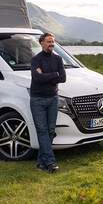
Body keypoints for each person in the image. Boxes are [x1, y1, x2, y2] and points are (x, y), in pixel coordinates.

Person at [30, 32, 66, 173]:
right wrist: (54, 75)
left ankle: (41, 162)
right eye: (49, 41)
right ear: (41, 43)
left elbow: (63, 78)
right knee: (42, 130)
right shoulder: (35, 60)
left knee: (50, 131)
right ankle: (50, 162)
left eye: (53, 41)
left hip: (53, 99)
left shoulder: (58, 59)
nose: (51, 44)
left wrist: (45, 75)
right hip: (37, 99)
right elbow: (37, 78)